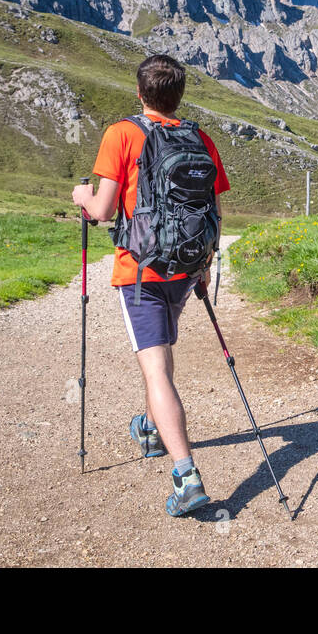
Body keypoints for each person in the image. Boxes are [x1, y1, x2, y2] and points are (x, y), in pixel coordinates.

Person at [72, 54, 230, 517]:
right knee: (158, 355)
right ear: (179, 95)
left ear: (140, 93)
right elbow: (214, 207)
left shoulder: (122, 133)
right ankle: (150, 429)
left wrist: (82, 195)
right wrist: (204, 263)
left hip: (140, 271)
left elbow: (101, 211)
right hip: (186, 269)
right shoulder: (199, 137)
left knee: (156, 367)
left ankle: (187, 475)